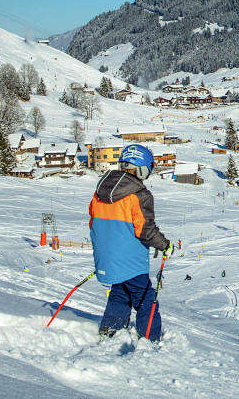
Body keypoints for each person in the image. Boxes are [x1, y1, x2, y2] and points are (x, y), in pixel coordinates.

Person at [89, 144, 172, 341]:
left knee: (120, 291)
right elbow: (145, 229)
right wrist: (165, 245)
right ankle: (150, 337)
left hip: (106, 257)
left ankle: (111, 329)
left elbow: (94, 220)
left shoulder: (101, 191)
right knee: (145, 297)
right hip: (131, 259)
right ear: (141, 168)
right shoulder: (138, 195)